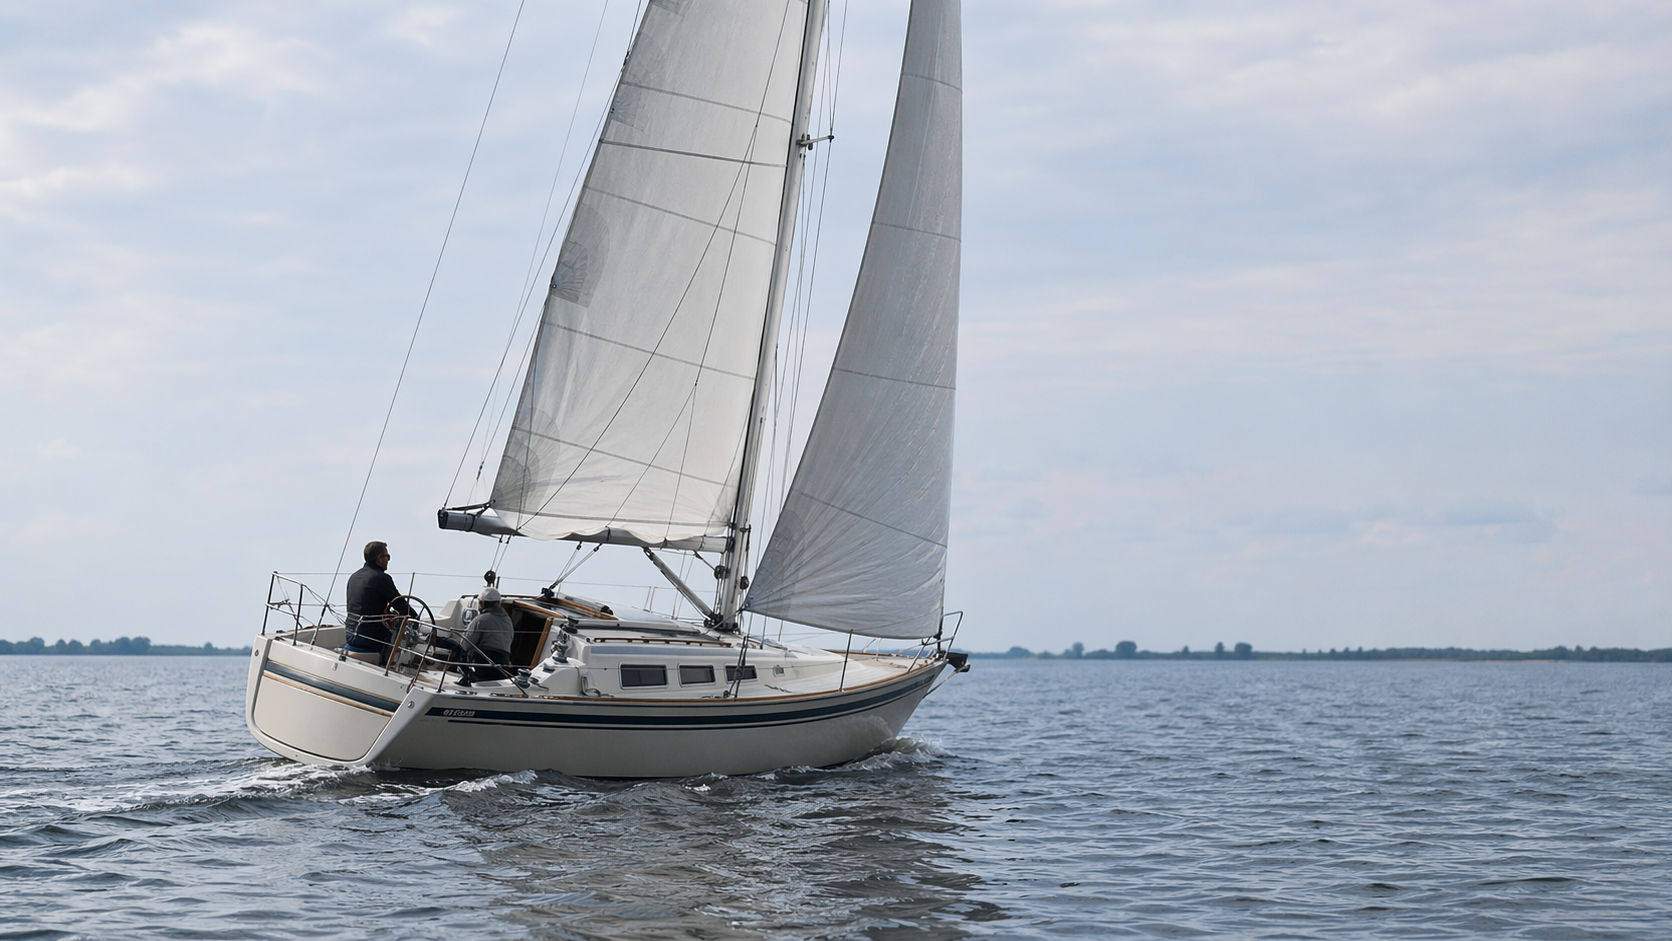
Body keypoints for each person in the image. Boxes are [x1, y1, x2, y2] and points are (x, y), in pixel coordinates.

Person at [344, 541, 409, 665]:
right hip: (367, 639)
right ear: (379, 559)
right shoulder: (381, 578)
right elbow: (400, 605)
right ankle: (388, 665)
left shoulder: (354, 576)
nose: (388, 560)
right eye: (387, 556)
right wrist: (416, 618)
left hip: (350, 633)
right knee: (399, 635)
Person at [459, 586, 514, 683]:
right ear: (498, 603)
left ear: (481, 603)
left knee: (459, 650)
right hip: (502, 666)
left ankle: (466, 677)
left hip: (483, 667)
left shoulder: (481, 620)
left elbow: (465, 645)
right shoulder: (508, 621)